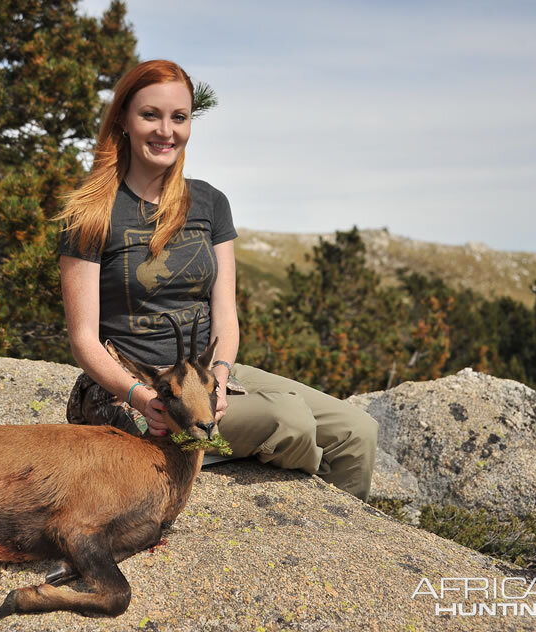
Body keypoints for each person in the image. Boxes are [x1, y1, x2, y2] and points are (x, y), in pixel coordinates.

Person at [56, 59, 378, 501]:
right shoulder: (91, 211)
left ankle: (347, 543)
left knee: (358, 432)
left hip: (206, 375)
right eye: (150, 115)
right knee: (291, 420)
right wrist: (139, 396)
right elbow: (83, 340)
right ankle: (229, 461)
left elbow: (225, 317)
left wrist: (220, 381)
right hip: (141, 389)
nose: (166, 130)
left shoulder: (209, 202)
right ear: (124, 121)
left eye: (179, 117)